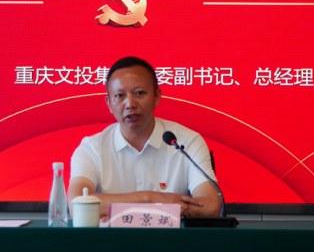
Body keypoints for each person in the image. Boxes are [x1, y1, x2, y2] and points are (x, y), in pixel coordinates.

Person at [67, 56, 222, 219]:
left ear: (157, 97)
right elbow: (77, 205)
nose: (130, 104)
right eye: (120, 95)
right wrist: (150, 198)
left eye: (139, 93)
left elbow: (211, 206)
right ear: (109, 104)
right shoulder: (91, 149)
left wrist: (118, 211)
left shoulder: (187, 142)